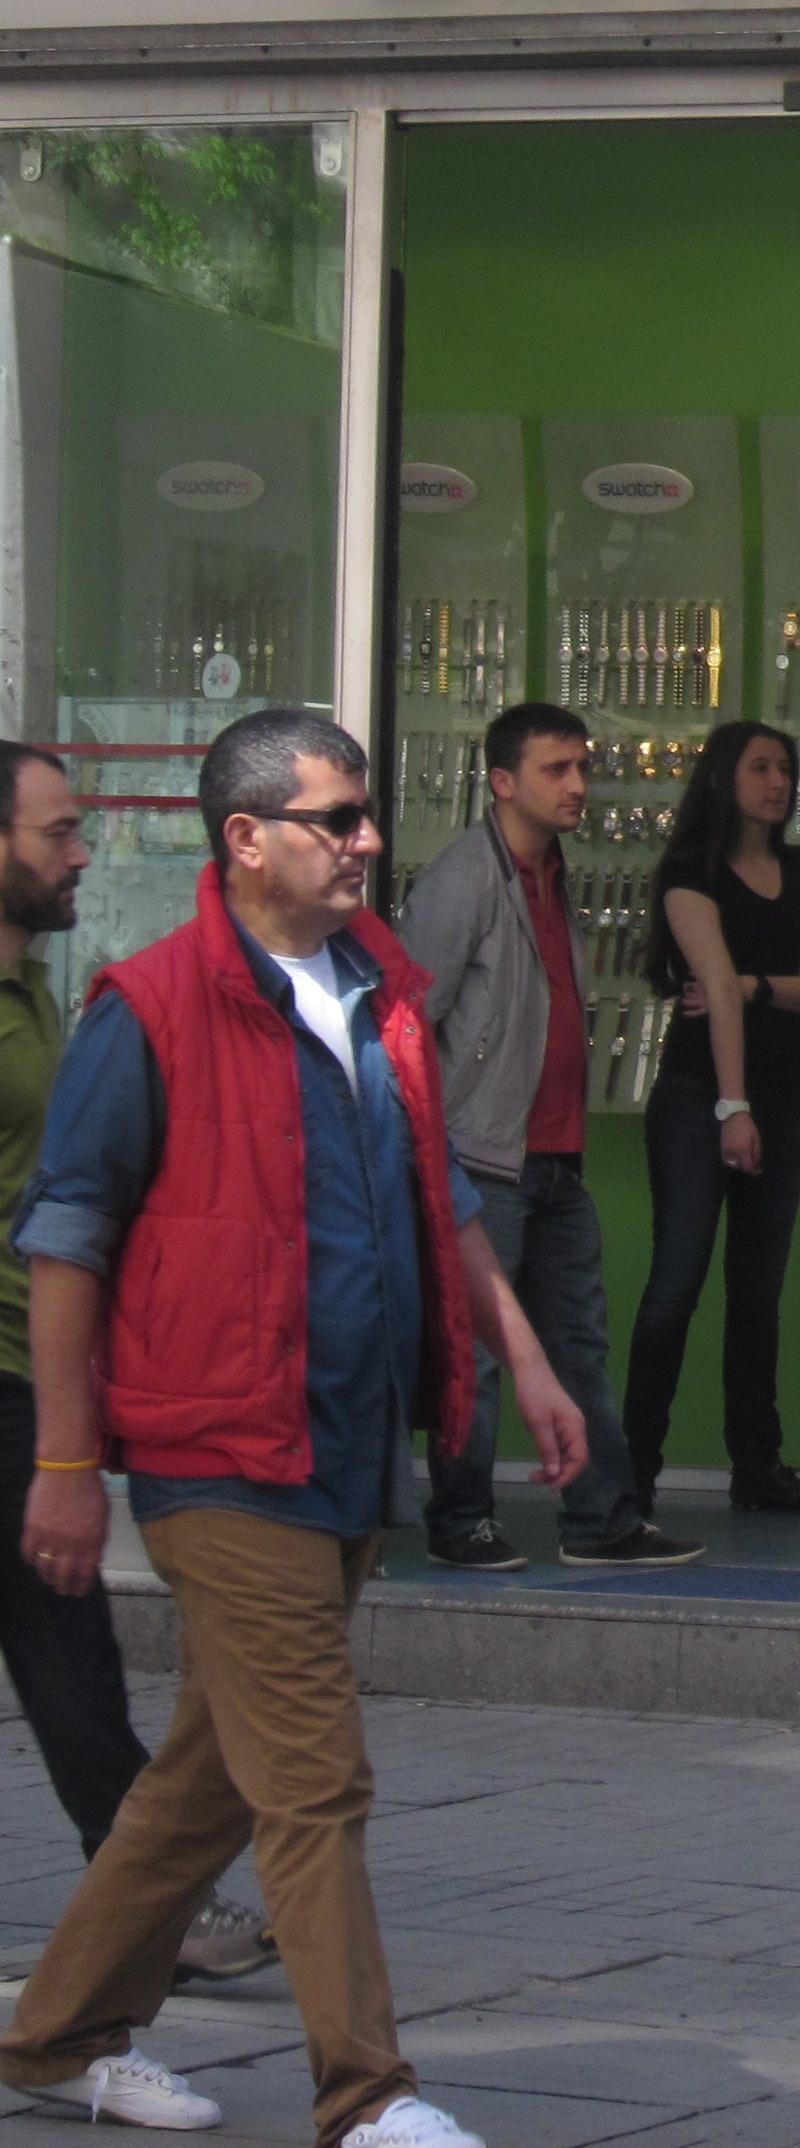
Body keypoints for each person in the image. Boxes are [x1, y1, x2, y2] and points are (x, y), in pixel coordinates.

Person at [2, 708, 588, 2147]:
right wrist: (69, 1464)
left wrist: (527, 1357)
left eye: (367, 812)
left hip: (343, 1446)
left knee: (207, 1777)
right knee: (316, 1776)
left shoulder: (377, 979)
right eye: (337, 818)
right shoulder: (146, 1007)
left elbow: (439, 1190)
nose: (367, 841)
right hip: (217, 1456)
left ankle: (56, 2036)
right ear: (246, 836)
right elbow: (65, 1247)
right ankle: (368, 2096)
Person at [0, 742, 274, 1984]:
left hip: (31, 1366)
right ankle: (149, 1907)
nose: (80, 853)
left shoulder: (45, 993)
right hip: (6, 1374)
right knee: (66, 1645)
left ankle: (148, 1902)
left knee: (66, 1649)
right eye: (57, 832)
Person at [399, 704, 701, 1572]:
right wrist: (436, 1148)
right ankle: (460, 1521)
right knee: (478, 1351)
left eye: (582, 766)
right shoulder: (464, 880)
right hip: (479, 1153)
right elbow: (409, 1026)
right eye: (556, 770)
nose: (578, 784)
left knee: (575, 1342)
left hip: (554, 1155)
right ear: (502, 782)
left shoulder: (551, 871)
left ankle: (601, 1520)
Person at [623, 721, 800, 1519]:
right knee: (675, 1286)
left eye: (786, 767)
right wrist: (732, 1107)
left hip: (782, 1098)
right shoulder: (691, 872)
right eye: (760, 767)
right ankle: (634, 1471)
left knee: (758, 1292)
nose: (777, 782)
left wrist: (757, 987)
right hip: (700, 1099)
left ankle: (758, 1465)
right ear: (725, 778)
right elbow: (710, 987)